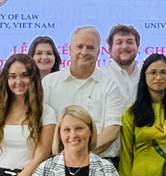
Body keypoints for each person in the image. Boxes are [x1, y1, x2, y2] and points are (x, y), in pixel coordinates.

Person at [42, 26, 124, 163]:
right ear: (69, 49)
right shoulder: (49, 83)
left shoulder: (110, 85)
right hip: (56, 163)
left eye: (90, 48)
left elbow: (113, 129)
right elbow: (42, 126)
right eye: (79, 46)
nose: (84, 52)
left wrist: (79, 156)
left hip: (100, 162)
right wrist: (66, 158)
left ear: (99, 51)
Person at [100, 24, 141, 106]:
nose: (125, 46)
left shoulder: (146, 77)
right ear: (110, 50)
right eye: (119, 42)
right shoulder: (100, 76)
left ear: (138, 47)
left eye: (130, 42)